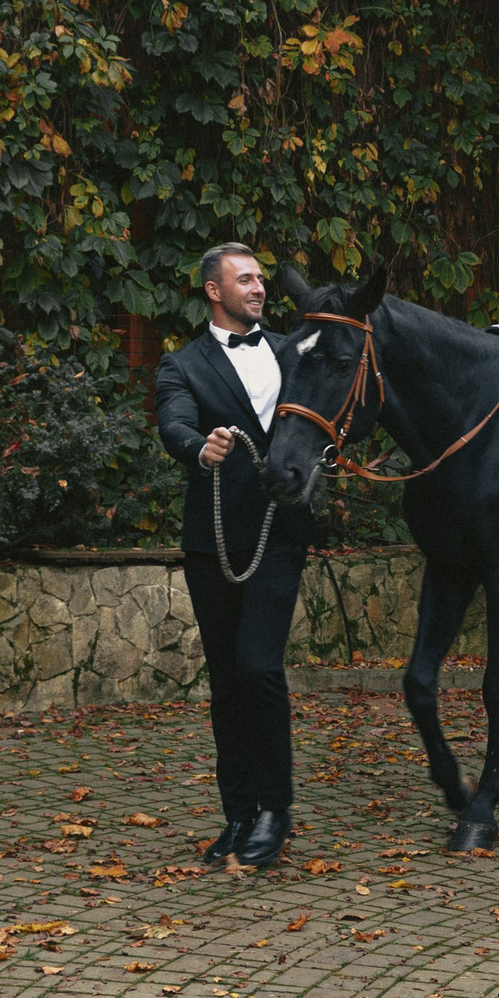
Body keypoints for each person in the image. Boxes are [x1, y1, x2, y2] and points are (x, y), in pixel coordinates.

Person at [155, 242, 315, 873]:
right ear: (214, 292)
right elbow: (173, 423)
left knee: (258, 664)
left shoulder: (292, 352)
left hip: (280, 531)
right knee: (226, 677)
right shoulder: (181, 363)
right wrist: (201, 447)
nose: (258, 288)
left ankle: (275, 808)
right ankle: (239, 811)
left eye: (259, 279)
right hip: (213, 539)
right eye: (243, 280)